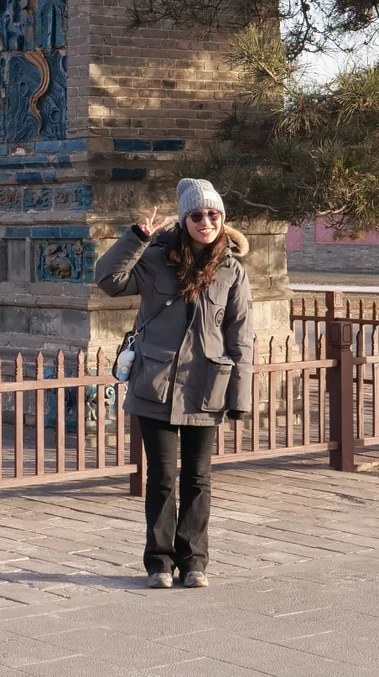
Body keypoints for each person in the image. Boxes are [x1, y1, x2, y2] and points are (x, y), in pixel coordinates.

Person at [95, 177, 253, 589]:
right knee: (162, 478)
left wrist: (240, 395)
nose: (206, 222)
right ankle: (159, 563)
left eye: (213, 214)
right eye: (197, 215)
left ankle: (195, 561)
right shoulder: (154, 260)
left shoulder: (231, 270)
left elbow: (241, 337)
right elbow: (108, 280)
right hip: (156, 383)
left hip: (206, 385)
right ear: (184, 220)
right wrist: (136, 239)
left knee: (198, 478)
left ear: (223, 219)